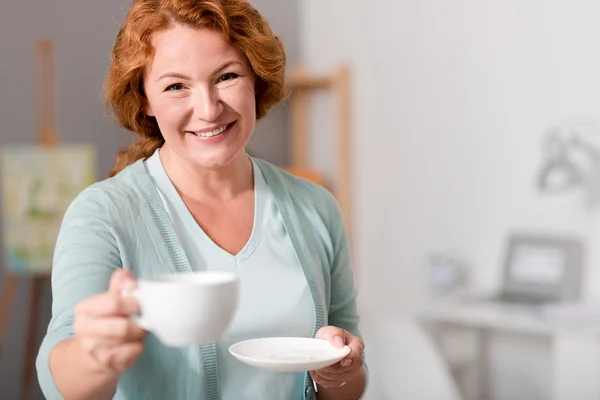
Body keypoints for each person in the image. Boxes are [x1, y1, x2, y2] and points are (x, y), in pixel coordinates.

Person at [36, 0, 366, 399]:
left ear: (256, 79)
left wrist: (340, 372)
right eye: (176, 86)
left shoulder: (316, 206)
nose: (208, 109)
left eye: (227, 76)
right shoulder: (102, 215)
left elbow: (351, 384)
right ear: (144, 99)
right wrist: (94, 356)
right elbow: (59, 383)